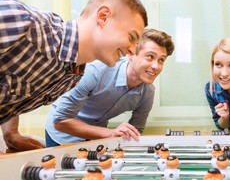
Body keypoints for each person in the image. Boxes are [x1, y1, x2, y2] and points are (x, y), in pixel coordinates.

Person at [0, 0, 148, 154]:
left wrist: (11, 133)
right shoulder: (22, 21)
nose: (132, 50)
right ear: (103, 16)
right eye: (131, 37)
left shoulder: (73, 75)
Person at [45, 29, 174, 146]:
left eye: (161, 60)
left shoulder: (148, 93)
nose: (156, 66)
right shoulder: (94, 72)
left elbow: (136, 130)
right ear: (131, 54)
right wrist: (110, 133)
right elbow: (60, 120)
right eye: (150, 57)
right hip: (62, 135)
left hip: (98, 139)